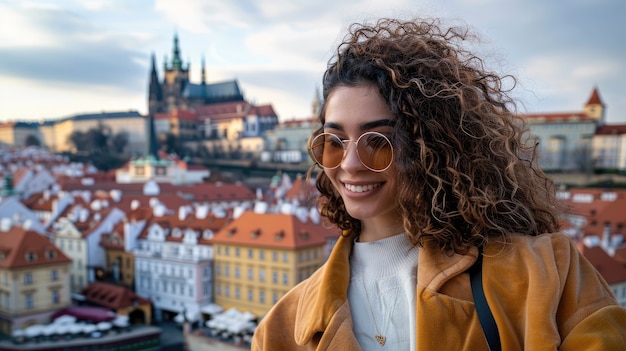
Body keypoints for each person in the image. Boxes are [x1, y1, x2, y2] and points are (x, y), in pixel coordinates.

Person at [251, 17, 626, 350]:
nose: (350, 164)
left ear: (429, 145)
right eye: (334, 142)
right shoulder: (281, 330)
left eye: (377, 141)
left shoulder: (547, 273)